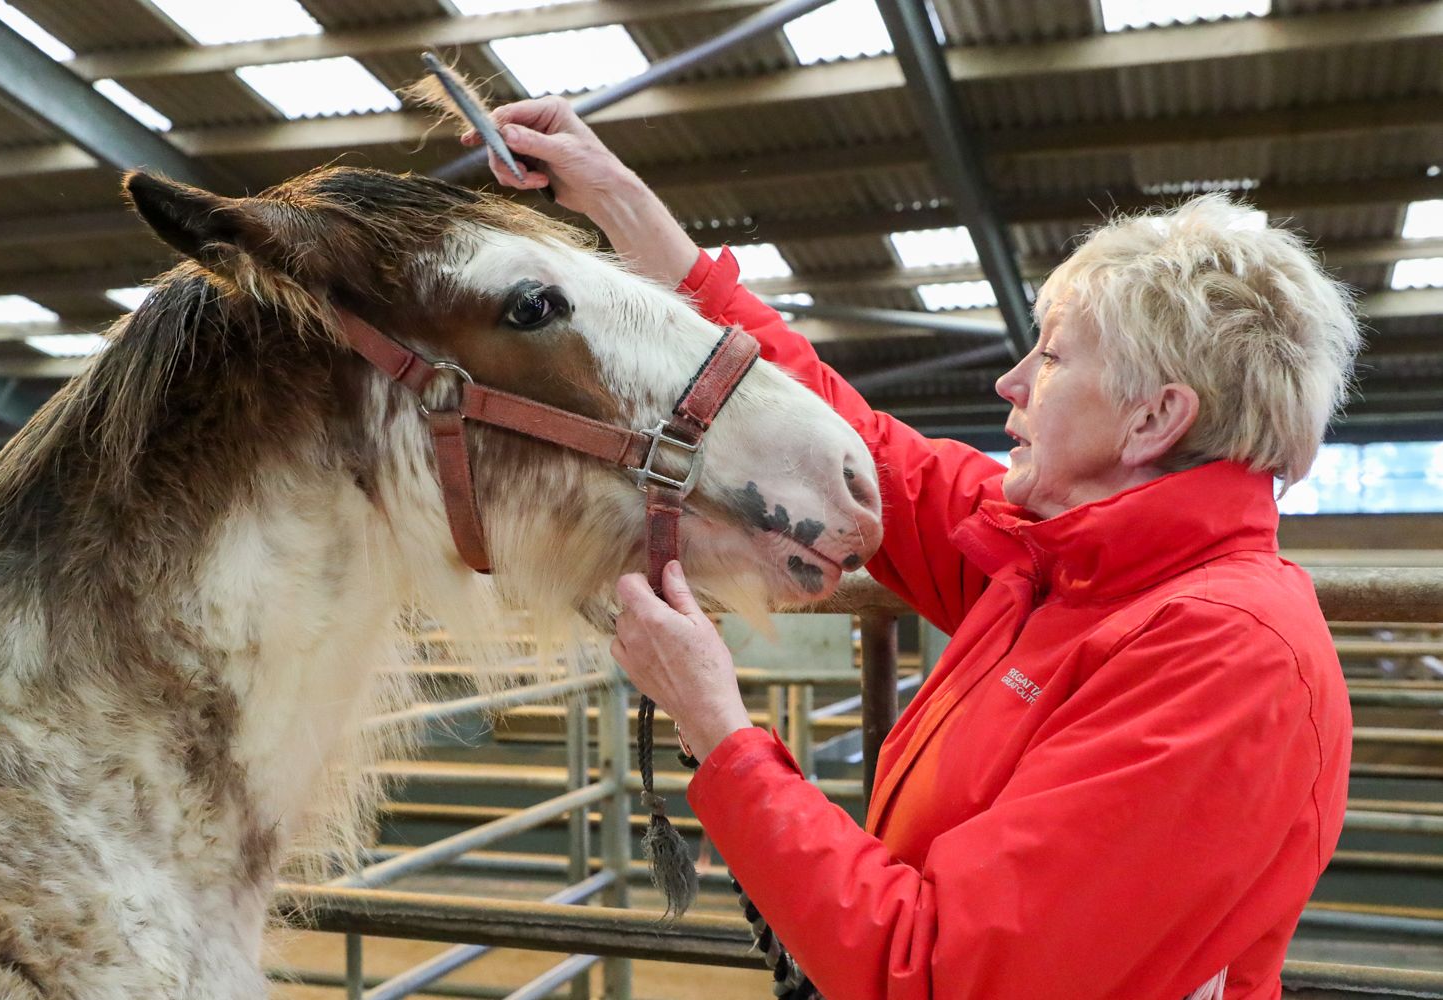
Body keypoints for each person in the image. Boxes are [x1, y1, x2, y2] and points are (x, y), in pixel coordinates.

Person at [462, 98, 1361, 1000]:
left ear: (1155, 418)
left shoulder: (1228, 658)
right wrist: (618, 201)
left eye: (1051, 359)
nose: (1010, 383)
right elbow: (856, 440)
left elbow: (942, 974)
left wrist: (717, 728)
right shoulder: (1054, 562)